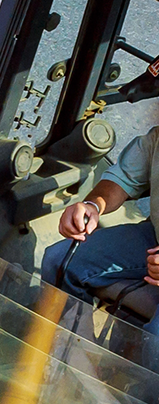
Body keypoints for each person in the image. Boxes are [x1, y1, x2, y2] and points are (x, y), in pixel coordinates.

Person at [48, 76, 159, 321]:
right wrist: (92, 205)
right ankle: (72, 352)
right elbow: (124, 178)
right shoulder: (157, 138)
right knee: (60, 262)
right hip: (153, 238)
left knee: (155, 344)